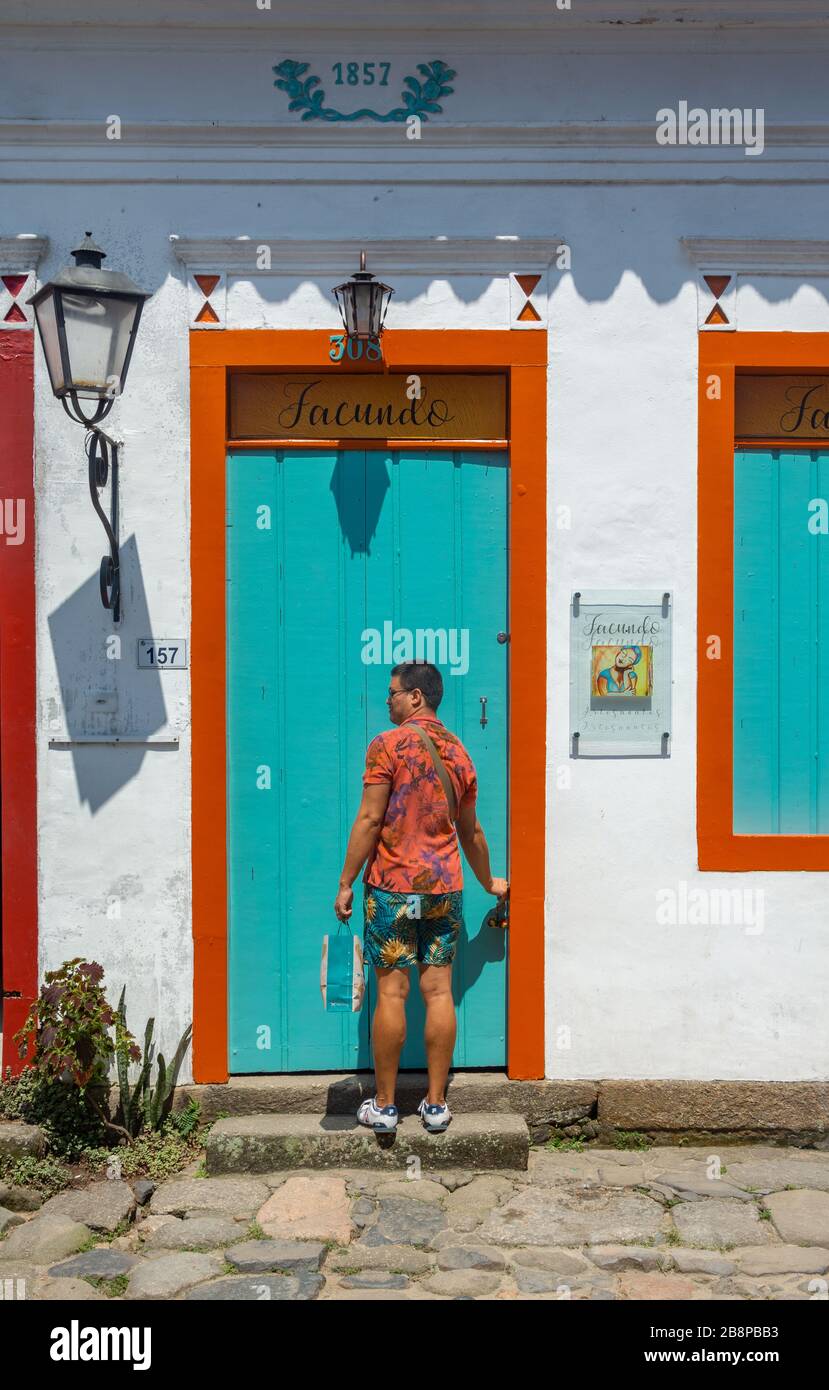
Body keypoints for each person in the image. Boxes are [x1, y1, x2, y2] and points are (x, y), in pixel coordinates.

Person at [333, 661, 508, 1135]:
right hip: (443, 889)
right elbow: (471, 832)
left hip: (392, 889)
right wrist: (490, 882)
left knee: (392, 991)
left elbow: (370, 821)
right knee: (438, 992)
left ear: (415, 697)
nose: (386, 700)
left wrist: (347, 880)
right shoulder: (460, 753)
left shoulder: (385, 746)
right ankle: (435, 1105)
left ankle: (386, 1107)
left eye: (392, 693)